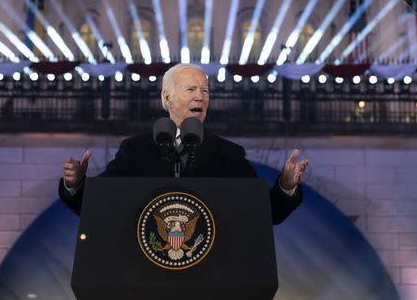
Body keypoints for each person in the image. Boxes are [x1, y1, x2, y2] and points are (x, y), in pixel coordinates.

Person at [59, 64, 308, 224]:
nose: (200, 96)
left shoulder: (229, 155)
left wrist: (285, 186)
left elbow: (266, 214)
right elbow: (98, 207)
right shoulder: (135, 151)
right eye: (191, 89)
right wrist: (75, 186)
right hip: (146, 283)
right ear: (167, 97)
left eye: (205, 90)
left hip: (213, 285)